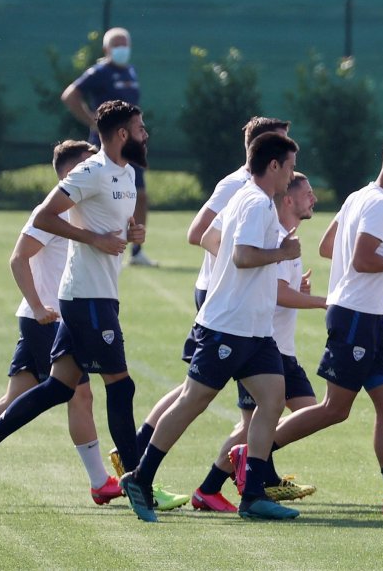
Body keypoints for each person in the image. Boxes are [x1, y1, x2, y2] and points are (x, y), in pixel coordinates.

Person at [0, 100, 149, 503]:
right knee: (119, 386)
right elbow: (39, 222)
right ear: (122, 133)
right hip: (81, 299)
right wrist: (92, 241)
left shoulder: (126, 174)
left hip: (96, 295)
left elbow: (110, 228)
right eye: (141, 127)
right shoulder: (90, 172)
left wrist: (130, 234)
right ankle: (137, 484)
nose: (146, 134)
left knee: (58, 389)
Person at [118, 132, 303, 522]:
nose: (292, 175)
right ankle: (140, 477)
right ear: (273, 165)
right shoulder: (256, 202)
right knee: (193, 400)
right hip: (228, 326)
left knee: (272, 400)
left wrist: (238, 279)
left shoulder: (247, 198)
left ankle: (253, 495)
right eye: (289, 167)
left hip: (255, 328)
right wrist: (281, 253)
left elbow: (210, 237)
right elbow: (242, 256)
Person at [265, 136, 383, 517]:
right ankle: (253, 452)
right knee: (335, 408)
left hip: (369, 317)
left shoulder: (360, 196)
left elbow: (328, 246)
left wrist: (379, 260)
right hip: (356, 316)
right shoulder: (380, 205)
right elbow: (362, 260)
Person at [208, 173, 324, 511]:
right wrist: (323, 301)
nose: (314, 199)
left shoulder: (288, 240)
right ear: (288, 200)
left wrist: (299, 290)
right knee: (254, 422)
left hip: (278, 347)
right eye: (308, 193)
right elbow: (276, 293)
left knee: (299, 413)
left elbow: (280, 289)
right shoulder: (276, 239)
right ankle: (224, 483)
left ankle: (252, 476)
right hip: (263, 345)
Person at [61, 27, 155, 267]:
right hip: (107, 145)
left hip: (130, 144)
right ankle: (86, 240)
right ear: (106, 49)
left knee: (140, 194)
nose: (122, 49)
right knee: (97, 193)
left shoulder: (131, 70)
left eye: (125, 44)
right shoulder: (100, 72)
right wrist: (92, 121)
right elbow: (70, 95)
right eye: (117, 45)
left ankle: (136, 251)